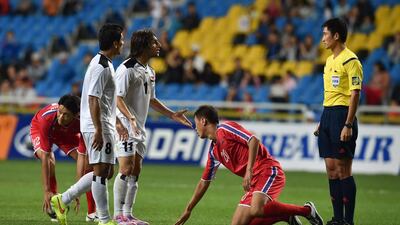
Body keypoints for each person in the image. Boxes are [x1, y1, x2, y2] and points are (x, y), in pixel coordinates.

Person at [175, 105, 323, 225]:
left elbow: (253, 140)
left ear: (203, 121)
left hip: (268, 170)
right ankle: (285, 217)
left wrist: (248, 171)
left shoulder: (225, 129)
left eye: (195, 123)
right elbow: (204, 182)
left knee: (256, 209)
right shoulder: (213, 151)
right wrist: (189, 209)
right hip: (254, 180)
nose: (195, 128)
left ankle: (307, 211)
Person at [113, 29, 192, 225]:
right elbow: (117, 98)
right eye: (155, 43)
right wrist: (129, 119)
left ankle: (128, 214)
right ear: (144, 45)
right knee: (125, 168)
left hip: (139, 127)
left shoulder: (150, 70)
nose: (159, 46)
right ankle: (117, 216)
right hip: (124, 125)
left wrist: (172, 114)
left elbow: (152, 99)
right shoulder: (126, 68)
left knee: (136, 170)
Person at [51, 23, 125, 225]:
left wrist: (114, 121)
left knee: (106, 172)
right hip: (97, 126)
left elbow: (105, 100)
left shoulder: (104, 63)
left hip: (102, 124)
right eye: (121, 40)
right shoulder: (101, 67)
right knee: (101, 173)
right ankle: (103, 219)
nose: (123, 43)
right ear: (115, 42)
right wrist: (99, 130)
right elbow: (93, 98)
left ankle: (62, 199)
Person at [316, 18, 363, 225]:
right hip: (327, 115)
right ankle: (337, 218)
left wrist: (348, 123)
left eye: (325, 34)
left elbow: (354, 94)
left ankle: (348, 221)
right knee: (331, 168)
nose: (323, 38)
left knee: (344, 169)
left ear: (336, 36)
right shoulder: (329, 61)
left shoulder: (350, 60)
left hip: (342, 116)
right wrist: (322, 120)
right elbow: (330, 94)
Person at [29, 94, 96, 222]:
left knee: (89, 165)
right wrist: (46, 190)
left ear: (76, 115)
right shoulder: (47, 119)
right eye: (60, 112)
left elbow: (82, 156)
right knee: (49, 159)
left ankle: (92, 212)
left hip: (66, 134)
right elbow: (46, 157)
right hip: (41, 129)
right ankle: (55, 201)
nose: (60, 116)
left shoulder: (84, 122)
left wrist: (78, 190)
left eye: (66, 114)